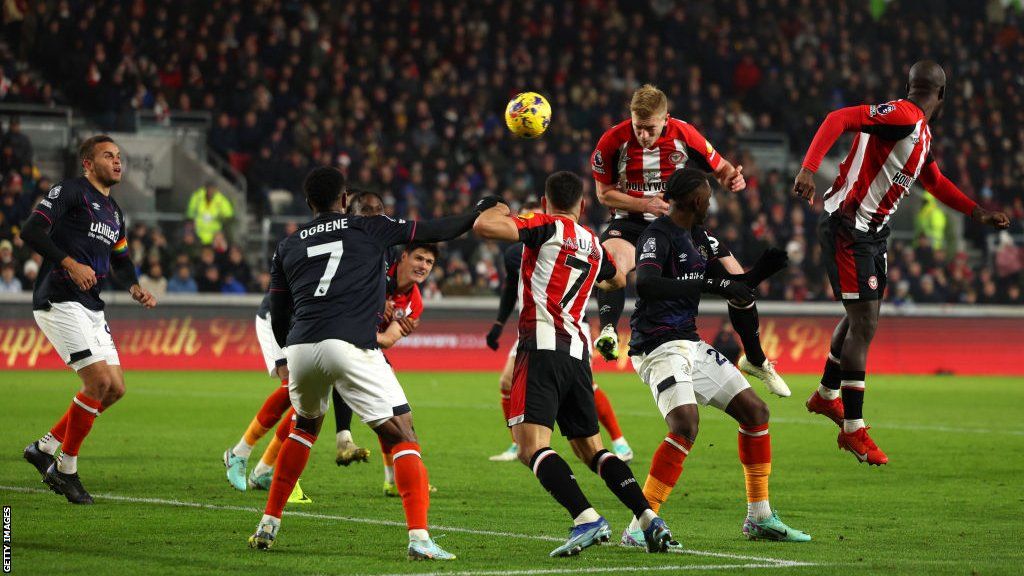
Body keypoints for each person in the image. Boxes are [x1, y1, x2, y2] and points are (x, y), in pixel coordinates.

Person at [248, 166, 497, 560]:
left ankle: (268, 524)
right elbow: (436, 229)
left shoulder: (288, 246)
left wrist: (288, 353)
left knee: (305, 426)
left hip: (299, 346)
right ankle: (419, 538)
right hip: (349, 344)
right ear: (344, 199)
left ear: (310, 202)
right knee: (403, 432)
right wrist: (477, 211)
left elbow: (279, 314)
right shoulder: (368, 227)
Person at [793, 60, 1010, 465]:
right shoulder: (903, 116)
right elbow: (838, 117)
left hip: (874, 233)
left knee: (863, 315)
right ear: (941, 95)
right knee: (865, 322)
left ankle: (826, 396)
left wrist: (975, 211)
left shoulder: (922, 135)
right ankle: (854, 430)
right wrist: (808, 168)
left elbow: (935, 182)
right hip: (849, 227)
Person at [474, 171, 676, 557]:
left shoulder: (545, 225)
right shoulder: (595, 245)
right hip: (577, 354)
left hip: (542, 346)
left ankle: (586, 517)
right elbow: (617, 281)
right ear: (583, 205)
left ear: (547, 202)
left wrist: (499, 208)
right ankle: (650, 519)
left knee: (530, 448)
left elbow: (486, 226)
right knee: (592, 451)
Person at [623, 168, 809, 548]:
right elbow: (645, 282)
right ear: (694, 201)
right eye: (707, 198)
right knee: (686, 425)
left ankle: (759, 517)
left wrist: (758, 274)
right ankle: (640, 526)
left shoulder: (699, 239)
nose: (711, 203)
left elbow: (725, 285)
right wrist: (705, 283)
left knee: (755, 413)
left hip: (689, 342)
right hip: (656, 345)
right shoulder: (657, 235)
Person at [590, 84, 789, 397]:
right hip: (630, 225)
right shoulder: (612, 141)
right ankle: (609, 331)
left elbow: (721, 168)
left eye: (649, 128)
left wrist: (731, 178)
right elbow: (604, 194)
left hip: (679, 227)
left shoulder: (685, 134)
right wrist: (644, 204)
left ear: (665, 119)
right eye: (637, 127)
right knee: (612, 268)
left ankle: (755, 360)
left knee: (741, 286)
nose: (643, 134)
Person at [20, 135, 157, 504]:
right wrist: (69, 262)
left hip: (91, 304)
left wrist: (134, 288)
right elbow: (30, 230)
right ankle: (65, 470)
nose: (117, 162)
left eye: (119, 157)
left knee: (115, 388)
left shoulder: (115, 212)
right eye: (108, 156)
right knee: (96, 383)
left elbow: (121, 259)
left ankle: (45, 447)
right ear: (87, 163)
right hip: (59, 298)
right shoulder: (70, 192)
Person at [485, 201, 635, 464]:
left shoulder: (560, 243)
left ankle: (620, 442)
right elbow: (511, 288)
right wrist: (498, 324)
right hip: (534, 326)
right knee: (506, 382)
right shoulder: (518, 254)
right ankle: (518, 443)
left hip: (569, 325)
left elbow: (613, 280)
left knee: (586, 388)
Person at [185, 180, 235, 245]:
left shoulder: (220, 199)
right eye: (209, 189)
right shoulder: (197, 197)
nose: (211, 191)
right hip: (198, 233)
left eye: (213, 189)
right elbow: (190, 212)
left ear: (216, 190)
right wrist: (191, 226)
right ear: (205, 189)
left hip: (214, 235)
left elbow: (229, 214)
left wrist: (221, 218)